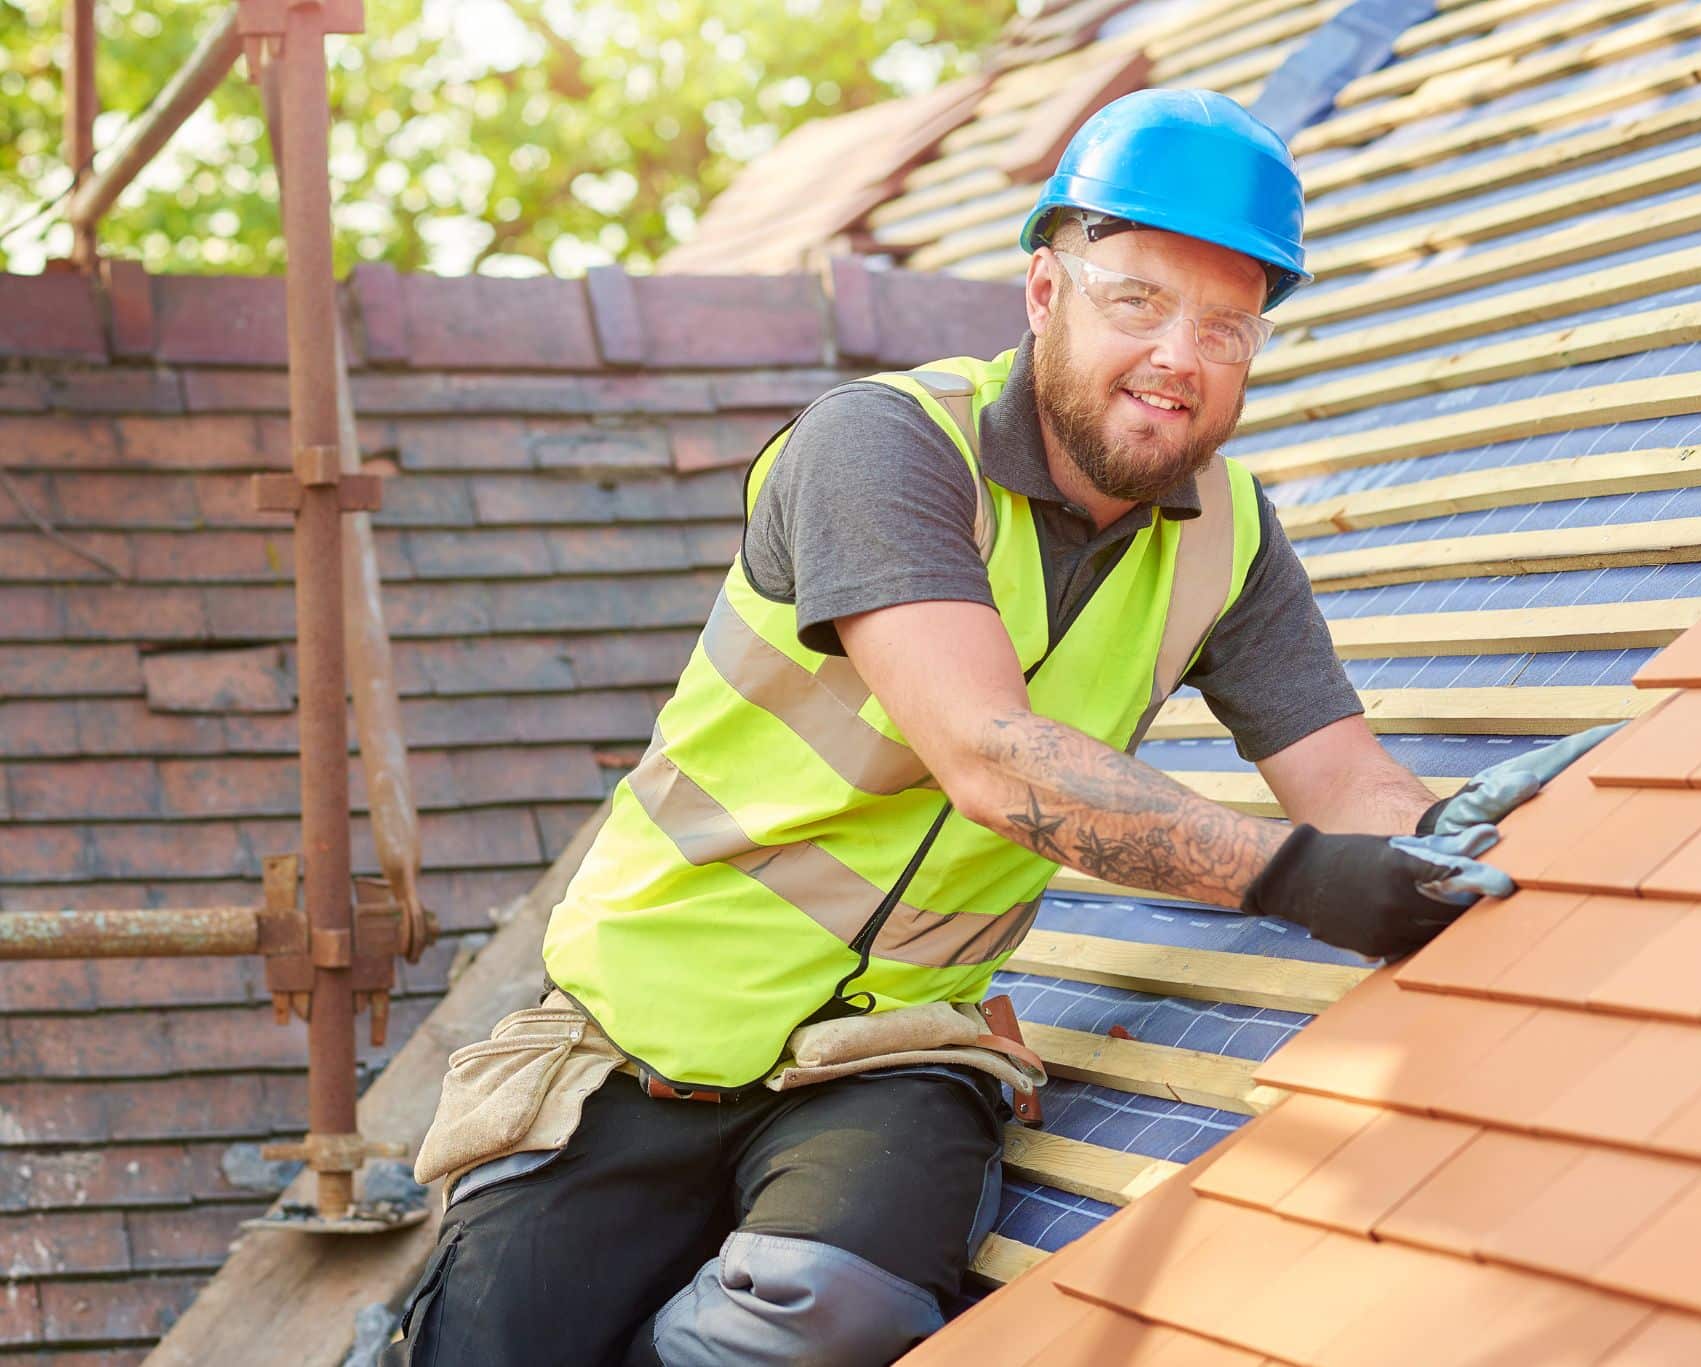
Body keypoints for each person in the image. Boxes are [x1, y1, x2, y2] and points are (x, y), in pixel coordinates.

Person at [384, 88, 1614, 1367]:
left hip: (891, 1045)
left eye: (1226, 328)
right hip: (633, 1037)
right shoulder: (884, 449)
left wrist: (1435, 838)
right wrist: (1302, 881)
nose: (1178, 358)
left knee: (824, 1310)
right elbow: (984, 752)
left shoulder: (1233, 539)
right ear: (1044, 293)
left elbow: (1342, 776)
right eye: (1135, 299)